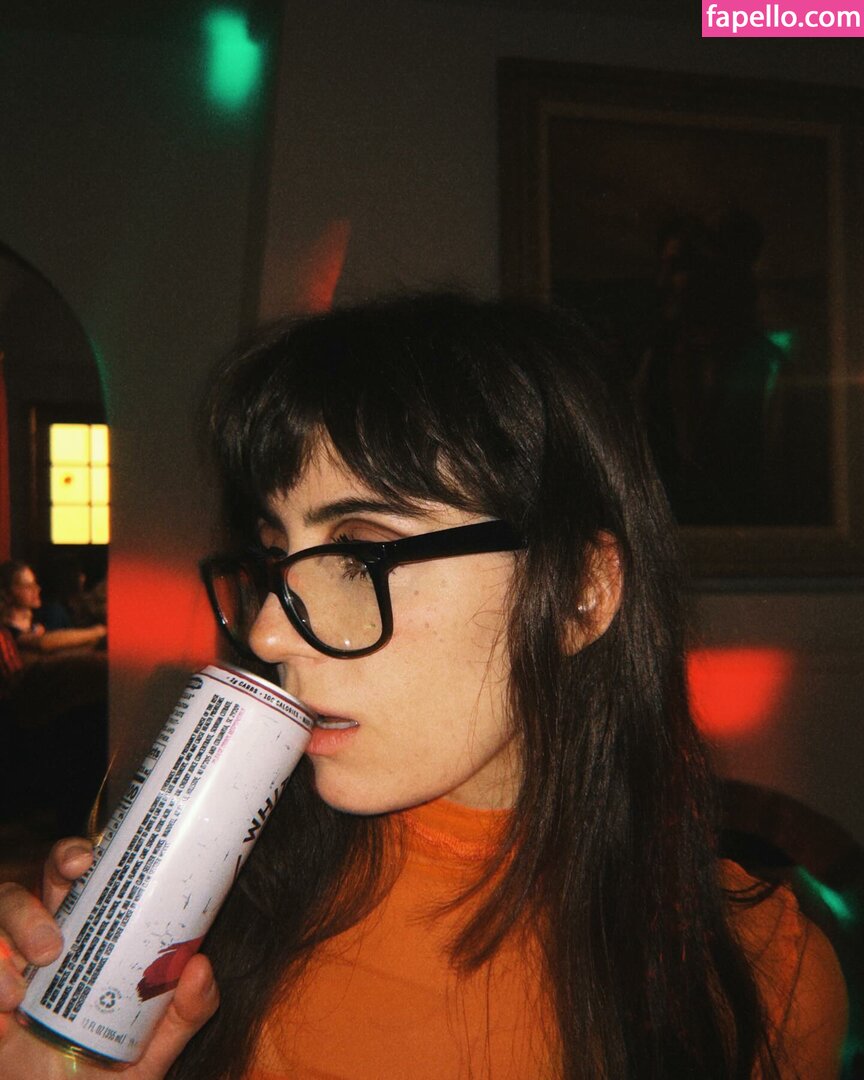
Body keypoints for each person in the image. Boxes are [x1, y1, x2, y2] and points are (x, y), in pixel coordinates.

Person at [0, 294, 847, 1079]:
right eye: (276, 556)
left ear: (582, 594)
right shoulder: (201, 914)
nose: (267, 633)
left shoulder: (759, 979)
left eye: (358, 553)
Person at [0, 560, 106, 657]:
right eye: (28, 586)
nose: (37, 589)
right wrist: (98, 631)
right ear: (7, 594)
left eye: (35, 583)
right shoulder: (7, 632)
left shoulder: (38, 623)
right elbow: (43, 643)